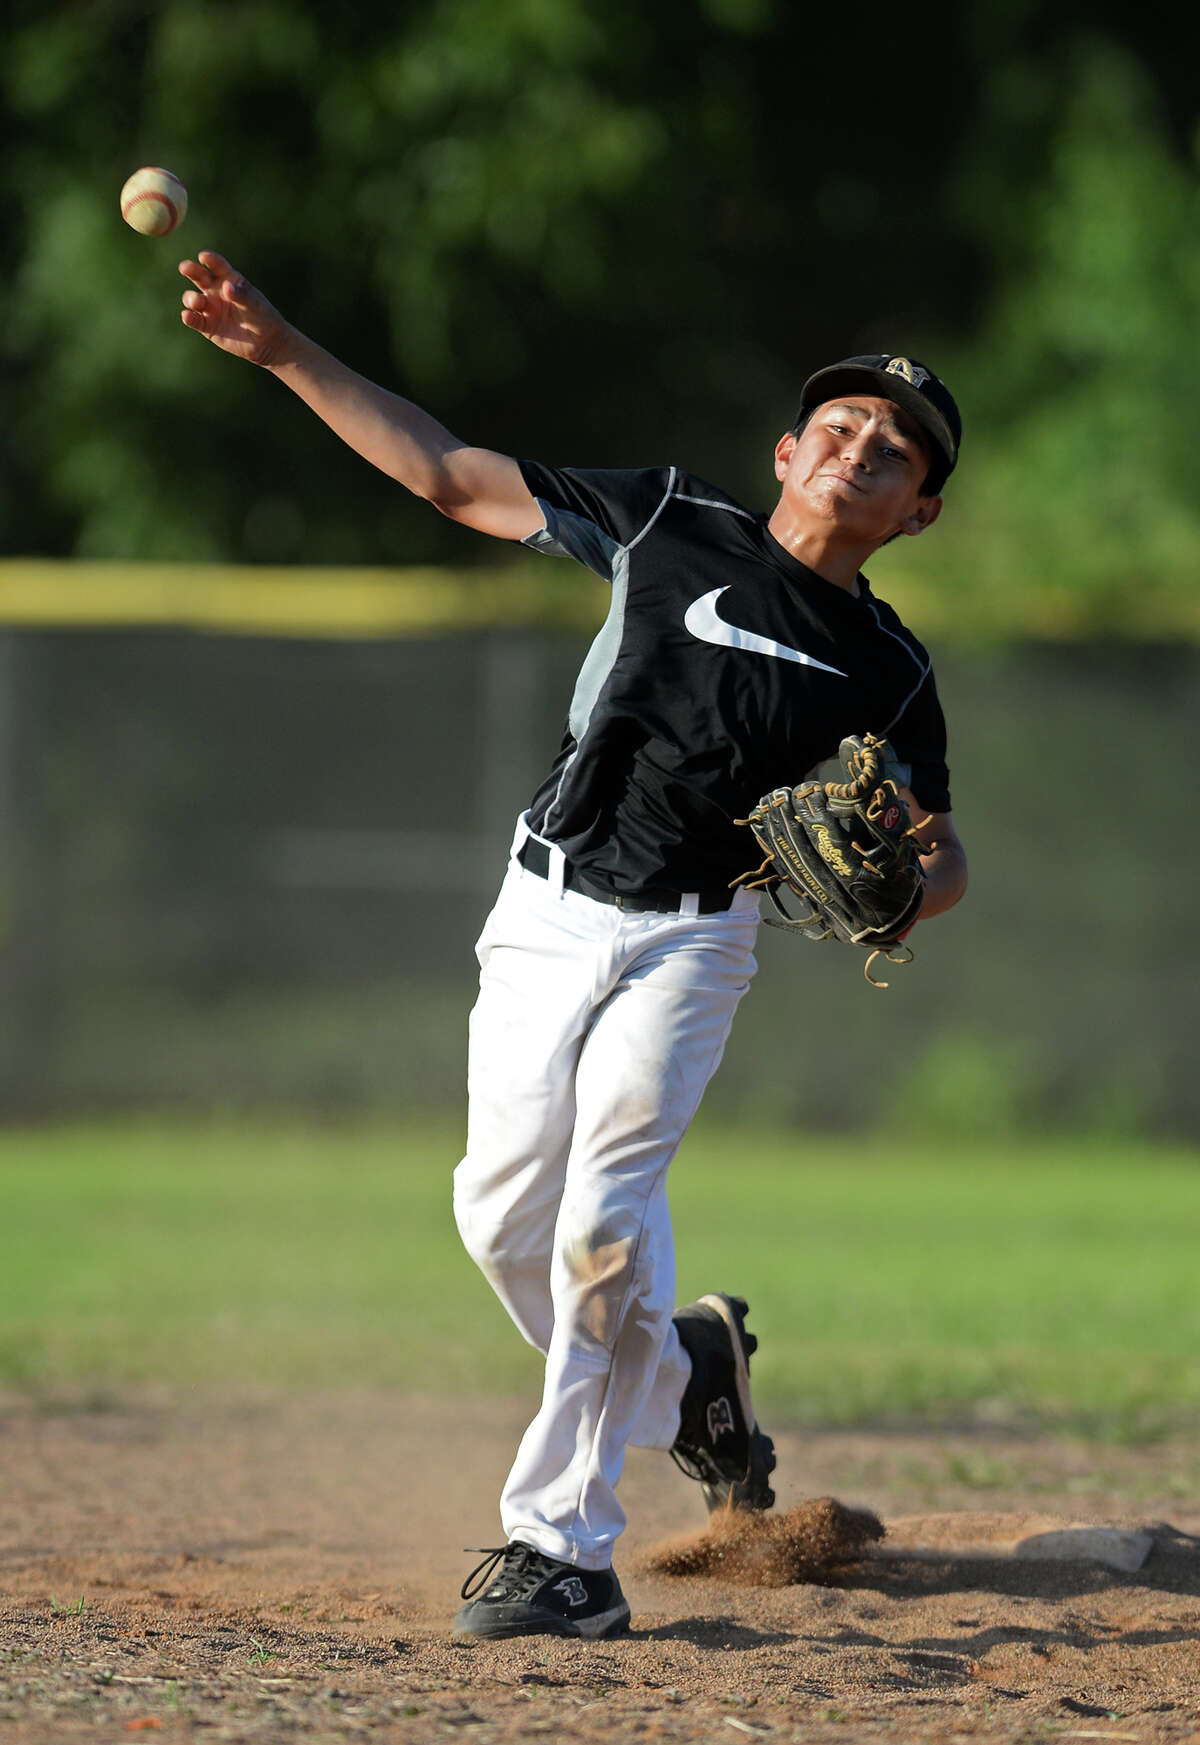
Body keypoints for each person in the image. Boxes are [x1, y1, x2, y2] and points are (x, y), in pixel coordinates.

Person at [178, 251, 969, 1642]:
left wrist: (911, 879)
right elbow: (446, 472)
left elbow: (941, 852)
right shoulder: (668, 519)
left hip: (694, 946)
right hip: (547, 911)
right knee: (501, 1219)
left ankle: (563, 1550)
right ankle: (696, 1383)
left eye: (894, 448)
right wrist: (285, 351)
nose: (862, 446)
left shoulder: (890, 671)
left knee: (603, 1229)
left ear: (919, 511)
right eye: (840, 425)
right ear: (788, 452)